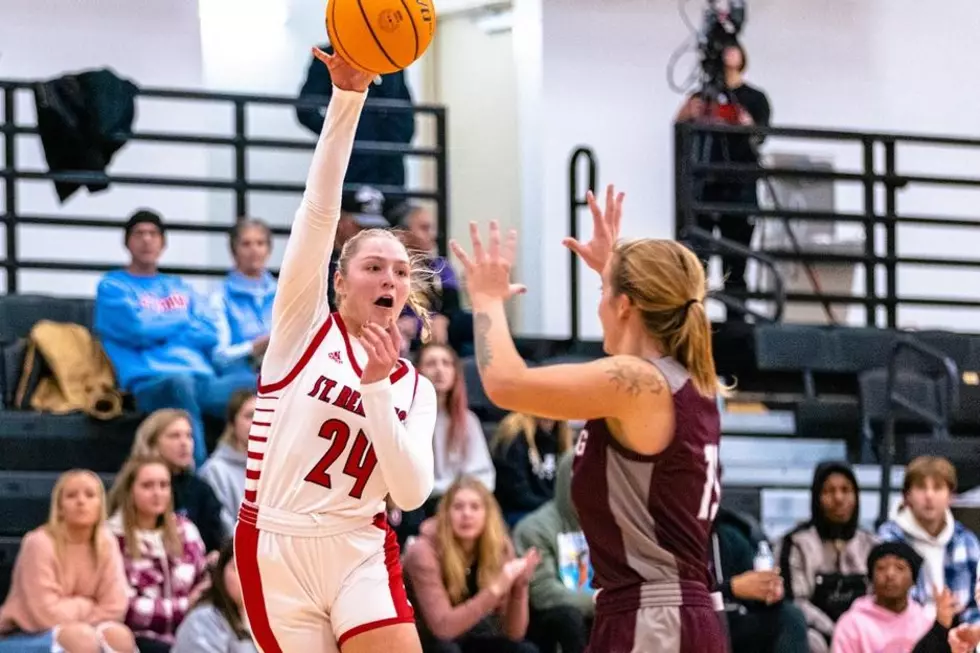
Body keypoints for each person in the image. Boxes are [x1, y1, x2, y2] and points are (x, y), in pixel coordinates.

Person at [449, 184, 726, 652]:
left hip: (653, 620)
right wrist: (615, 265)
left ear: (624, 306)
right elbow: (645, 302)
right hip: (665, 614)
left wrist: (487, 300)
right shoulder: (685, 382)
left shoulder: (635, 381)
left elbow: (506, 384)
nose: (600, 305)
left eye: (605, 291)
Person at [234, 48, 438, 653]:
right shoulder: (302, 327)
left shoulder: (413, 387)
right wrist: (346, 100)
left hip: (359, 545)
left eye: (400, 272)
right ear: (341, 281)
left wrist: (376, 386)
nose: (390, 281)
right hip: (277, 545)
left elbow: (410, 494)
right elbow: (318, 212)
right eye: (374, 266)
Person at [94, 209, 257, 467]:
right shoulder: (113, 286)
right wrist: (182, 321)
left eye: (153, 234)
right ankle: (198, 481)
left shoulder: (178, 286)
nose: (147, 239)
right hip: (152, 383)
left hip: (203, 380)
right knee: (180, 385)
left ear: (163, 243)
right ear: (127, 242)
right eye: (139, 234)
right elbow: (138, 328)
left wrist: (157, 327)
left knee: (258, 383)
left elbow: (209, 332)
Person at [675, 40, 771, 315]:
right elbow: (680, 131)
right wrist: (687, 112)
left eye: (733, 47)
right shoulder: (700, 97)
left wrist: (744, 123)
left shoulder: (754, 98)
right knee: (696, 266)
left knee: (736, 265)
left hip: (739, 190)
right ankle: (694, 326)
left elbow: (761, 136)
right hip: (703, 188)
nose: (726, 52)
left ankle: (738, 328)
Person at [0, 469, 135, 653]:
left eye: (90, 495)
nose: (81, 501)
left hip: (82, 629)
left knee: (119, 636)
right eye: (71, 496)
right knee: (81, 639)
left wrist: (75, 610)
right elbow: (45, 615)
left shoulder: (106, 543)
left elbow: (115, 607)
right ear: (60, 507)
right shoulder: (39, 543)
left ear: (100, 505)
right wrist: (87, 604)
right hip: (23, 635)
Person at [402, 476, 540, 653]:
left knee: (525, 650)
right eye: (458, 507)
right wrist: (495, 589)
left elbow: (513, 634)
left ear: (487, 514)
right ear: (445, 514)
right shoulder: (423, 552)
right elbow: (443, 628)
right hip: (426, 641)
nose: (466, 514)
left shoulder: (500, 547)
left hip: (471, 637)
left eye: (475, 507)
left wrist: (519, 587)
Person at [107, 457, 210, 653]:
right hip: (140, 640)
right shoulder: (112, 538)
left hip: (191, 635)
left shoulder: (186, 531)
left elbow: (203, 583)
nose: (157, 493)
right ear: (129, 490)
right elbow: (125, 608)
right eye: (147, 486)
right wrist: (185, 606)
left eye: (164, 485)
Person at [777, 461, 877, 653]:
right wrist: (838, 632)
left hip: (864, 633)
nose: (838, 498)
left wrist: (855, 631)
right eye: (829, 491)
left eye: (846, 490)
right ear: (816, 498)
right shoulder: (796, 543)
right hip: (816, 633)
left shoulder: (872, 544)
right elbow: (794, 603)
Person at [296, 43, 415, 190]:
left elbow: (404, 109)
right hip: (347, 170)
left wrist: (396, 144)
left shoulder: (391, 59)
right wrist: (339, 134)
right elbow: (306, 109)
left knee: (418, 212)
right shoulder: (330, 56)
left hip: (389, 172)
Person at [878, 456, 980, 625]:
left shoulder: (967, 541)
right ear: (906, 496)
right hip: (905, 636)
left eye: (938, 488)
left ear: (951, 496)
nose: (929, 496)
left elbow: (975, 605)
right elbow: (889, 606)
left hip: (960, 634)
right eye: (921, 487)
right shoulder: (889, 539)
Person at [512, 452, 594, 653]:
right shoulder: (534, 529)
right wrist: (599, 601)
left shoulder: (611, 526)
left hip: (598, 607)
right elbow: (544, 593)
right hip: (549, 618)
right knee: (569, 618)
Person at [129, 408, 230, 553]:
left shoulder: (201, 489)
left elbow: (216, 543)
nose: (184, 443)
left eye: (189, 436)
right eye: (174, 436)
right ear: (152, 442)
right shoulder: (134, 483)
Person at [712, 505, 809, 653]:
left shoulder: (729, 535)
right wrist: (731, 588)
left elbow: (755, 587)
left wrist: (769, 591)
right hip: (690, 619)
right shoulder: (671, 536)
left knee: (790, 617)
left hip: (731, 622)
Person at [832, 541, 955, 653]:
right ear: (871, 578)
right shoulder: (851, 624)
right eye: (881, 568)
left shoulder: (924, 622)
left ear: (913, 580)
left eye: (900, 567)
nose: (890, 574)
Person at [418, 343, 495, 510]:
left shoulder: (468, 420)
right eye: (431, 364)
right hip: (418, 506)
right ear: (418, 371)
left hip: (458, 504)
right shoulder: (407, 418)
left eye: (446, 363)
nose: (439, 370)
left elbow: (484, 478)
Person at [210, 218, 277, 376]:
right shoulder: (220, 297)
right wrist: (255, 347)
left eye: (260, 243)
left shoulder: (284, 293)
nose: (254, 250)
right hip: (240, 382)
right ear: (234, 251)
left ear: (268, 250)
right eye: (246, 244)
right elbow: (219, 357)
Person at [173, 541, 258, 653]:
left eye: (255, 569)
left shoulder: (266, 619)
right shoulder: (203, 620)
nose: (246, 577)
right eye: (238, 567)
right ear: (221, 571)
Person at [491, 413, 572, 528]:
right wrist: (556, 508)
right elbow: (518, 495)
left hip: (550, 511)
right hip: (518, 512)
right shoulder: (514, 433)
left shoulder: (561, 435)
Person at [199, 389, 255, 535]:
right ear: (232, 423)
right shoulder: (215, 470)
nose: (257, 422)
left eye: (262, 416)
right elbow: (224, 526)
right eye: (250, 416)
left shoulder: (276, 467)